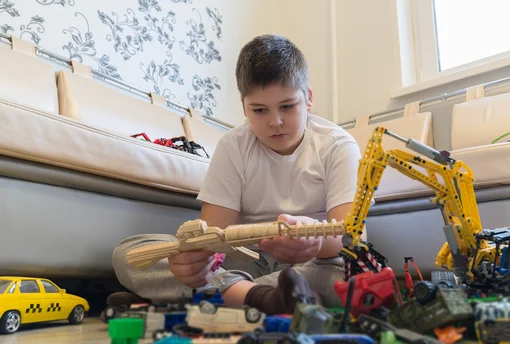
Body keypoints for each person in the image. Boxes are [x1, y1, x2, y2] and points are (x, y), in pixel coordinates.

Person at [110, 34, 364, 315]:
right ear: (244, 107)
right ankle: (260, 298)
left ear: (309, 99)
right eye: (259, 110)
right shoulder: (233, 146)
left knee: (339, 278)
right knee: (130, 252)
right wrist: (195, 261)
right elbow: (213, 239)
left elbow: (353, 240)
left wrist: (315, 242)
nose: (275, 121)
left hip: (315, 263)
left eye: (288, 106)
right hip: (248, 260)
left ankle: (204, 298)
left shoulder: (338, 146)